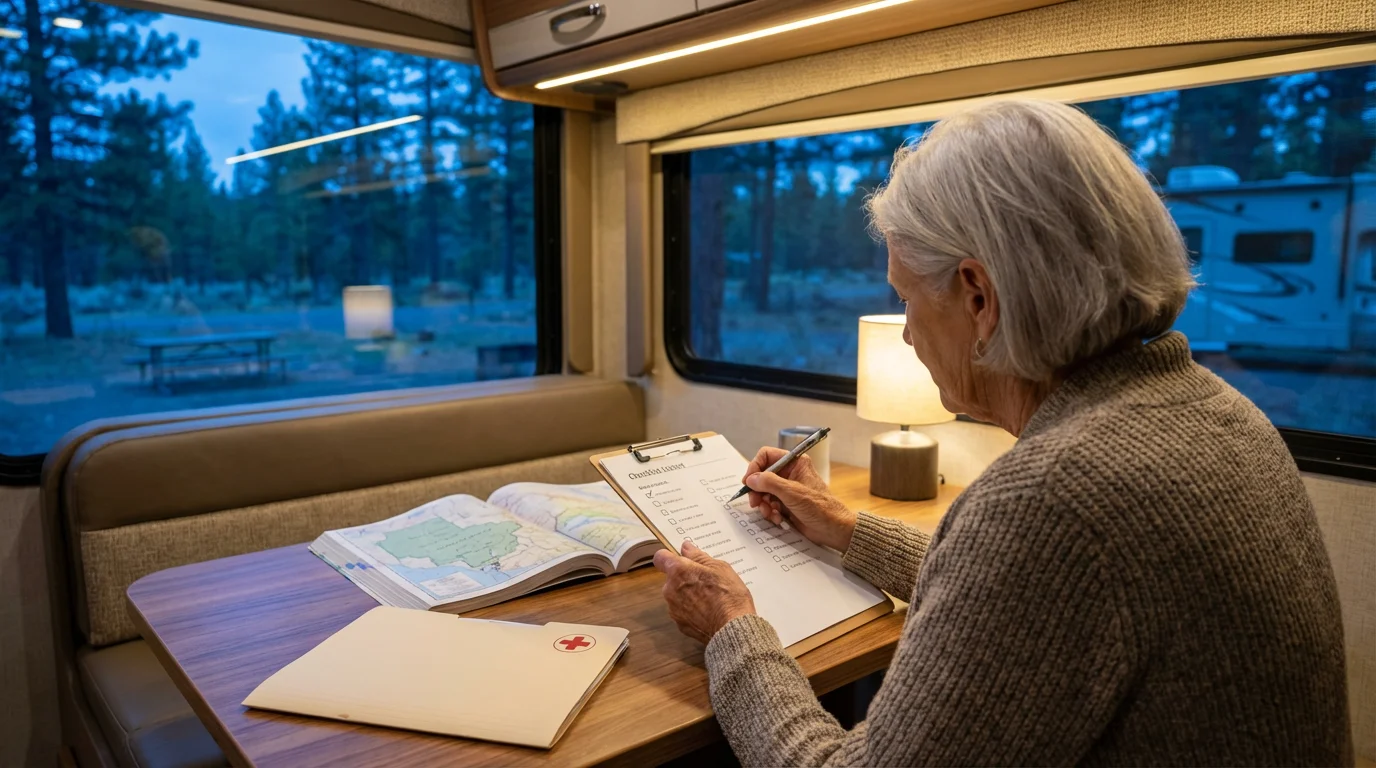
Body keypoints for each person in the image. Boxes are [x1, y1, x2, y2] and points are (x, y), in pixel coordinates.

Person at [653, 98, 1351, 766]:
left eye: (906, 298)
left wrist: (732, 630)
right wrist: (843, 527)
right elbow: (1024, 599)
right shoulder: (1213, 408)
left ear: (978, 297)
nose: (906, 331)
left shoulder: (1057, 496)